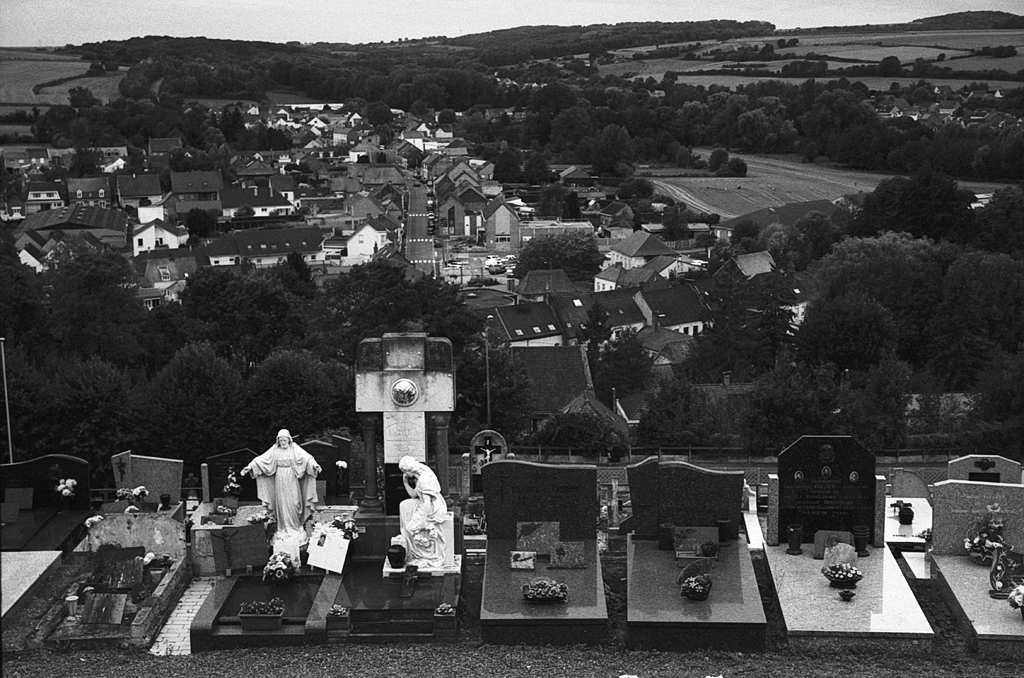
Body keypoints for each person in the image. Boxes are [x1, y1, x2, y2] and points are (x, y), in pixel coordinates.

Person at [242, 429, 321, 547]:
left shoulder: (294, 448)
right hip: (279, 478)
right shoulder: (274, 450)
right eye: (281, 440)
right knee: (282, 503)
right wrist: (250, 466)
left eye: (285, 440)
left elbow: (307, 458)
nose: (283, 442)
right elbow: (261, 460)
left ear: (289, 439)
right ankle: (283, 528)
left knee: (294, 502)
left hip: (292, 477)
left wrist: (314, 465)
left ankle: (295, 526)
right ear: (278, 441)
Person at [397, 455, 448, 568]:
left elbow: (427, 503)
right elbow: (413, 495)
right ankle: (417, 553)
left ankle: (425, 556)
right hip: (424, 503)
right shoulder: (420, 477)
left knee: (410, 528)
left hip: (432, 508)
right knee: (403, 505)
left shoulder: (423, 480)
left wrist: (422, 521)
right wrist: (405, 482)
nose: (405, 474)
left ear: (409, 469)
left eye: (405, 471)